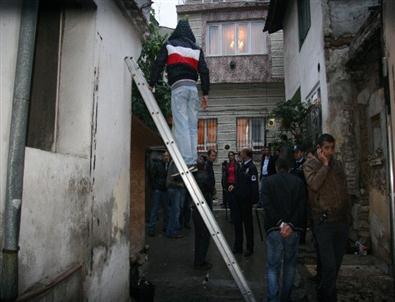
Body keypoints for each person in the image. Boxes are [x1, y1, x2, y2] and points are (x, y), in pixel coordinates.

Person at [149, 20, 210, 168]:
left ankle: (187, 162)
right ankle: (193, 158)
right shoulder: (197, 49)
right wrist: (206, 93)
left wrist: (151, 82)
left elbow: (159, 63)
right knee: (191, 126)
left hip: (179, 88)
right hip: (193, 89)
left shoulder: (170, 45)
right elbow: (204, 71)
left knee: (181, 124)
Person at [303, 134, 352, 302]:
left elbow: (344, 190)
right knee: (329, 265)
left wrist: (349, 217)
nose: (330, 152)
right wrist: (324, 165)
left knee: (334, 266)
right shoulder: (310, 164)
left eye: (332, 148)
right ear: (319, 148)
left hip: (341, 221)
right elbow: (314, 184)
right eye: (326, 148)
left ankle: (322, 294)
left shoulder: (337, 164)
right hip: (323, 222)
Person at [262, 158, 306, 302]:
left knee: (273, 267)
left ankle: (273, 299)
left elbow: (267, 205)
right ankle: (286, 298)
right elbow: (302, 206)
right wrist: (291, 225)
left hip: (274, 229)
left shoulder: (268, 182)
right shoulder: (298, 182)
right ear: (289, 167)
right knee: (290, 265)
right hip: (292, 230)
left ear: (276, 167)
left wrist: (281, 224)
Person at [233, 148, 259, 257]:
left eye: (242, 153)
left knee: (248, 225)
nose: (240, 154)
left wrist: (254, 200)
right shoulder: (241, 166)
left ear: (247, 155)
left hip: (246, 200)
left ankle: (249, 247)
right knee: (237, 223)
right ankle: (238, 246)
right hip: (239, 199)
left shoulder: (252, 167)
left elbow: (254, 185)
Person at [192, 155, 213, 270]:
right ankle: (200, 261)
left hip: (196, 208)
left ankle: (198, 259)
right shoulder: (205, 176)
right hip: (204, 207)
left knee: (198, 236)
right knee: (204, 235)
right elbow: (210, 189)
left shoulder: (193, 176)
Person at [147, 151, 170, 236]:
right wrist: (155, 186)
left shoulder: (169, 165)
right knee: (155, 209)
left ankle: (166, 227)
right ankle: (151, 229)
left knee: (166, 210)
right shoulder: (158, 164)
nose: (166, 157)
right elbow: (152, 176)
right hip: (158, 189)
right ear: (162, 157)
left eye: (168, 156)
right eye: (165, 156)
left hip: (165, 189)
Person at [166, 159, 186, 239]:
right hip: (174, 188)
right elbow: (175, 176)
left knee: (175, 210)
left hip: (175, 188)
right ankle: (172, 231)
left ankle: (172, 229)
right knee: (175, 211)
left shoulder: (174, 161)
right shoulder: (175, 162)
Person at [222, 151, 238, 221]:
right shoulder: (227, 165)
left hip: (235, 184)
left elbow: (238, 175)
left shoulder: (237, 164)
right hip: (228, 183)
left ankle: (236, 216)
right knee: (230, 201)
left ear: (234, 156)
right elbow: (225, 175)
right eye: (229, 155)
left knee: (235, 201)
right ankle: (232, 216)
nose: (231, 157)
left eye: (232, 155)